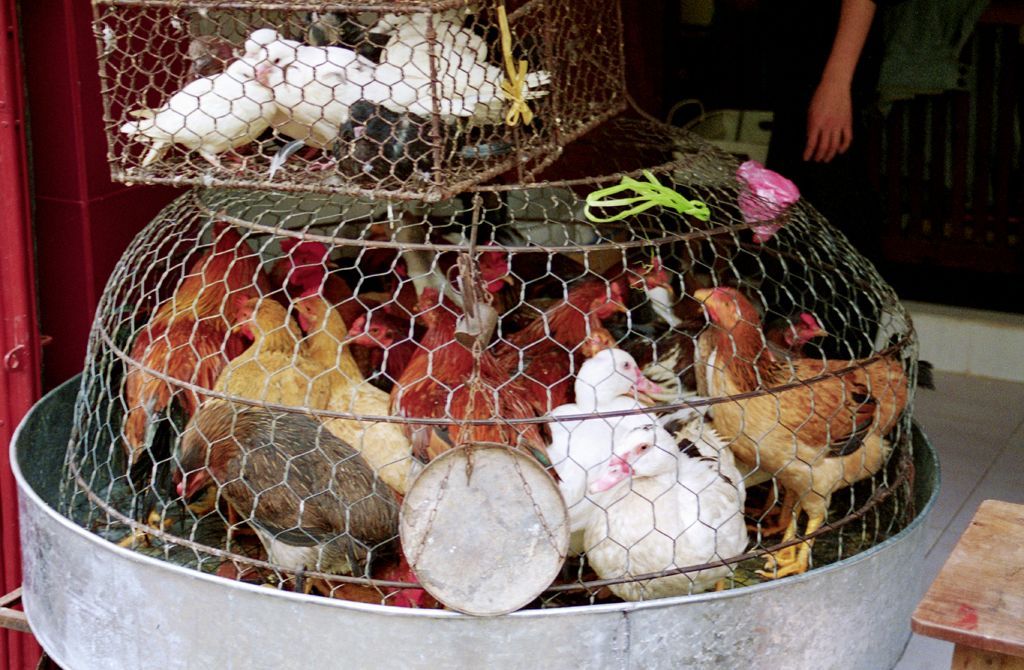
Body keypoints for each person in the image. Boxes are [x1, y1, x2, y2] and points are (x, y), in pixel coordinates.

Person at [763, 0, 889, 263]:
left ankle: (847, 298)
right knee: (790, 198)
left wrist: (836, 81)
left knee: (828, 186)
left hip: (828, 63)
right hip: (795, 58)